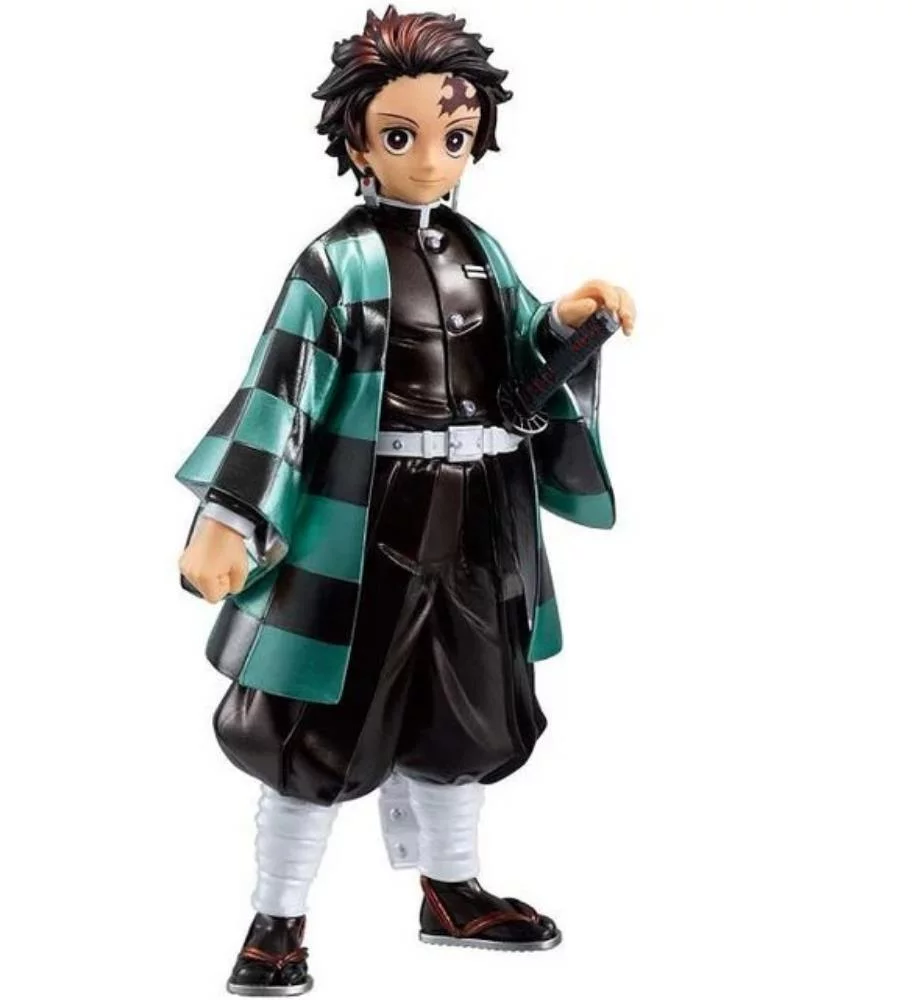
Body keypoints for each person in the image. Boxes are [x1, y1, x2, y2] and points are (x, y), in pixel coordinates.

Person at [176, 7, 636, 995]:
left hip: (478, 518)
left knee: (468, 708)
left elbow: (516, 342)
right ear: (356, 140)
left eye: (453, 138)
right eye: (401, 135)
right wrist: (229, 515)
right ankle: (276, 921)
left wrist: (563, 319)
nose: (431, 159)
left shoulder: (478, 251)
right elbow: (280, 389)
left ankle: (452, 889)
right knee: (315, 722)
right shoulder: (334, 265)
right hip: (364, 521)